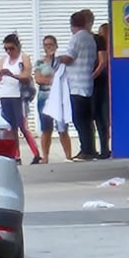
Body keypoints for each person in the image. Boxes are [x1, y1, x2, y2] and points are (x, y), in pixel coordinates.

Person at [55, 9, 104, 160]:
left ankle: (86, 150)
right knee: (87, 120)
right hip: (87, 83)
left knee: (79, 119)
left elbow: (69, 58)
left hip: (76, 85)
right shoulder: (90, 39)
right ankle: (91, 149)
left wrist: (56, 58)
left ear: (72, 25)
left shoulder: (76, 38)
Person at [0, 33, 42, 163]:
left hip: (18, 96)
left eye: (11, 48)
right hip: (5, 95)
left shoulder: (23, 58)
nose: (9, 51)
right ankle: (16, 155)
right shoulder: (3, 60)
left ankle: (36, 153)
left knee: (22, 126)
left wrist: (12, 75)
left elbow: (26, 76)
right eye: (6, 49)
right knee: (10, 127)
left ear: (17, 47)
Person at [34, 34, 72, 163]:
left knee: (62, 127)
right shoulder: (40, 62)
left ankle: (68, 156)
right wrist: (54, 80)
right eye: (46, 45)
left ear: (56, 46)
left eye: (51, 45)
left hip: (58, 95)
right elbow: (38, 79)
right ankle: (45, 156)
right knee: (46, 128)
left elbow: (64, 77)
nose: (48, 47)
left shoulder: (60, 61)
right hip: (44, 96)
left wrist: (52, 80)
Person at [92, 21, 114, 159]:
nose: (103, 36)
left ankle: (108, 148)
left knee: (106, 118)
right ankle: (104, 149)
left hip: (108, 86)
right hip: (98, 86)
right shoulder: (97, 49)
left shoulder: (114, 50)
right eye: (102, 33)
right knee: (100, 118)